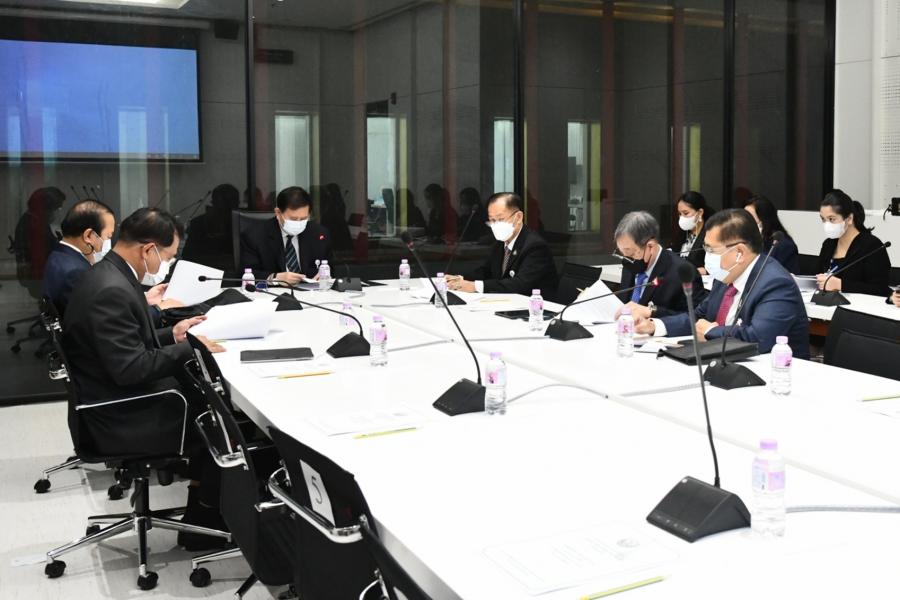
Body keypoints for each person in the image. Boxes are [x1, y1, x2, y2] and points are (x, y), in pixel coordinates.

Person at [62, 207, 225, 550]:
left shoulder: (111, 275)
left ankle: (203, 514)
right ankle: (204, 523)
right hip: (119, 414)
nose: (168, 263)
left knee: (209, 401)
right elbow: (131, 368)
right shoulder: (111, 289)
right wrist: (191, 348)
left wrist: (174, 335)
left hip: (110, 396)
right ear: (148, 249)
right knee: (220, 420)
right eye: (169, 256)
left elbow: (130, 344)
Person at [636, 208, 810, 358]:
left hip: (776, 374)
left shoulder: (776, 284)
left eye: (711, 250)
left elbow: (759, 338)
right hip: (727, 363)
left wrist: (710, 332)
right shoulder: (726, 276)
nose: (707, 256)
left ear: (739, 252)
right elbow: (699, 316)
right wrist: (655, 325)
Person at [446, 192, 558, 296]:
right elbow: (486, 271)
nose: (495, 225)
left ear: (518, 217)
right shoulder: (501, 242)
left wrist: (474, 286)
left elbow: (520, 284)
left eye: (500, 219)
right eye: (492, 220)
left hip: (535, 306)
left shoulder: (535, 246)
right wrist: (460, 279)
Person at [612, 211, 707, 320]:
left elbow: (695, 318)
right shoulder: (630, 264)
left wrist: (652, 311)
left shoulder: (682, 273)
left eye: (631, 253)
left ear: (650, 247)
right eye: (621, 253)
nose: (626, 258)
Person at [240, 186, 333, 284]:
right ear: (278, 213)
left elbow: (330, 268)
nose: (298, 223)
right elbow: (245, 274)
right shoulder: (255, 236)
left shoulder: (319, 234)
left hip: (311, 291)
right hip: (273, 291)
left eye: (303, 218)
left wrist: (324, 275)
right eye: (293, 219)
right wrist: (275, 277)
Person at [42, 200, 115, 314]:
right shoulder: (77, 272)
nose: (108, 242)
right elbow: (96, 316)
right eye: (108, 236)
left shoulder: (58, 254)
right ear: (88, 236)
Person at [816, 190, 891, 296]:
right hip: (826, 302)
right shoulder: (828, 244)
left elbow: (881, 289)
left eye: (831, 219)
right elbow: (817, 275)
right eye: (823, 219)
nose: (826, 224)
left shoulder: (872, 245)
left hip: (861, 305)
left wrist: (841, 285)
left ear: (849, 219)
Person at [182, 183, 240, 271]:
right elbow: (188, 256)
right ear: (214, 203)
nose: (226, 210)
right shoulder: (198, 224)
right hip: (203, 272)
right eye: (224, 205)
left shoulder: (241, 224)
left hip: (235, 273)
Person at [742, 195, 799, 273]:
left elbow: (785, 275)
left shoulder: (782, 245)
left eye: (749, 218)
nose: (744, 221)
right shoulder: (743, 241)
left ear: (764, 220)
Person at [669, 191, 715, 275]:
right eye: (679, 214)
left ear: (700, 212)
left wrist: (699, 271)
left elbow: (716, 267)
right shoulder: (683, 233)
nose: (682, 217)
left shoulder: (711, 234)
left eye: (686, 213)